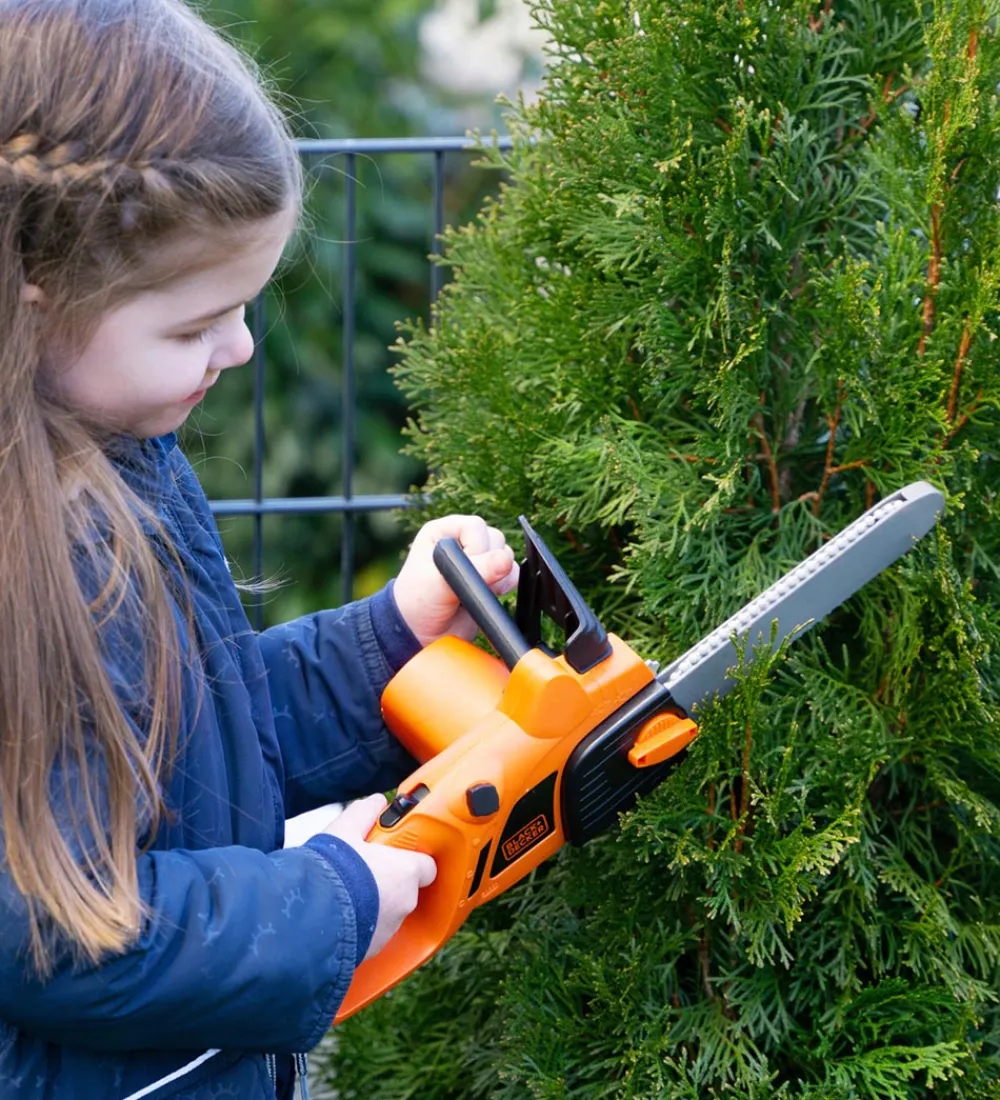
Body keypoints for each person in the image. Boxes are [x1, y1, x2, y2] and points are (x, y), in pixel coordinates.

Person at [0, 2, 519, 1098]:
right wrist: (327, 900)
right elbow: (60, 925)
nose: (237, 347)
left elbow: (195, 729)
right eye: (192, 326)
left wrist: (387, 640)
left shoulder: (118, 456)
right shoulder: (33, 556)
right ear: (31, 304)